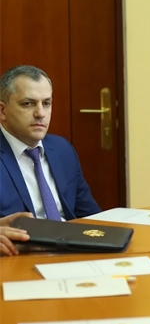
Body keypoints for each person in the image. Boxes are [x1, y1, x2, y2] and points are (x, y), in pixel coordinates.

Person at [0, 65, 101, 220]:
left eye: (46, 103)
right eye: (28, 103)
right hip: (23, 236)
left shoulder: (62, 149)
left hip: (68, 234)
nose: (40, 113)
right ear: (2, 111)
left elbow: (90, 214)